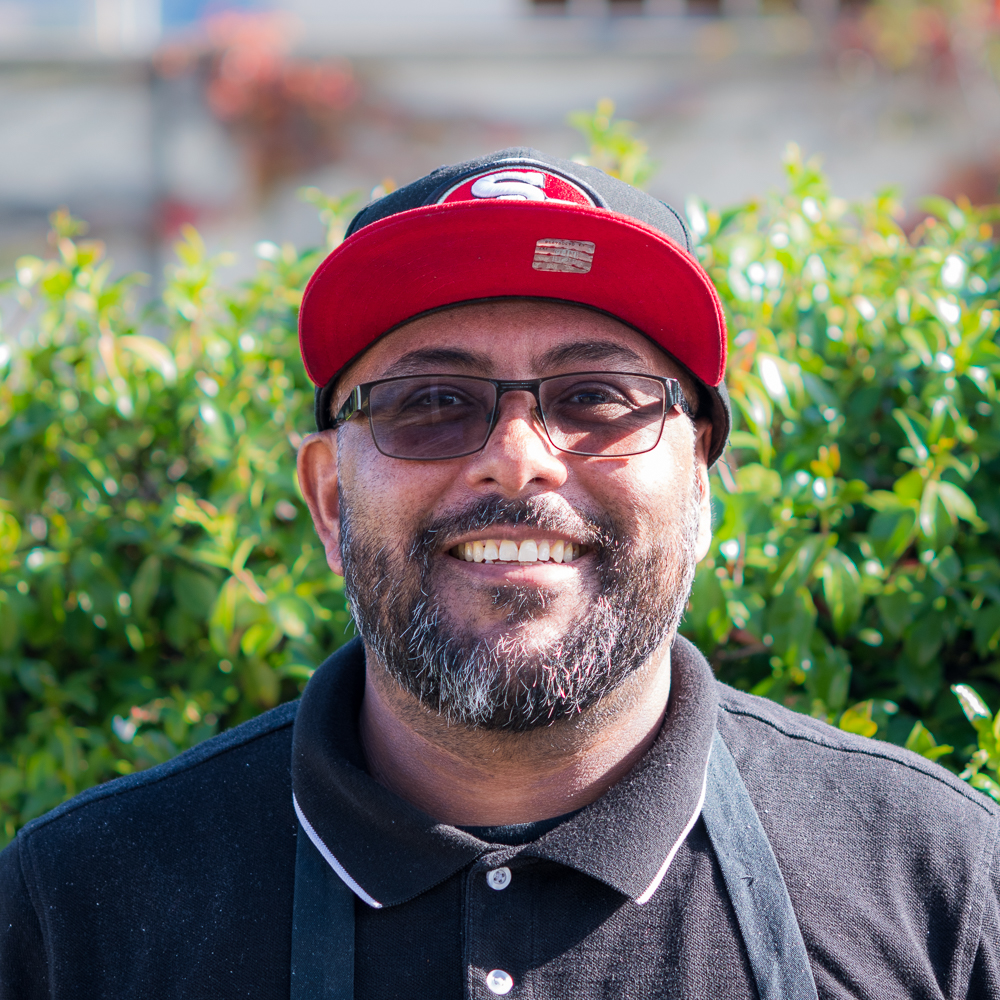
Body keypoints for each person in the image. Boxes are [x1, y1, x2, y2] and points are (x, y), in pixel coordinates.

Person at [0, 149, 997, 1000]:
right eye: (430, 400)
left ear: (699, 482)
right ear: (331, 500)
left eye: (597, 396)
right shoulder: (79, 909)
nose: (518, 457)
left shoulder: (939, 884)